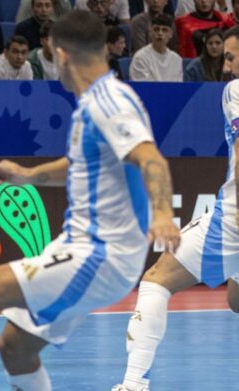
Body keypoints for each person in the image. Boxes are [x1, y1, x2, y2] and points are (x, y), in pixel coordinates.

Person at [0, 10, 180, 391]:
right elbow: (80, 165)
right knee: (15, 347)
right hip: (82, 248)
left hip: (102, 253)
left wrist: (165, 214)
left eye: (52, 57)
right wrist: (28, 176)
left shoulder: (110, 101)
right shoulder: (92, 104)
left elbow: (150, 158)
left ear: (63, 54)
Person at [112, 25, 239, 391]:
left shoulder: (235, 90)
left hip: (233, 220)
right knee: (236, 301)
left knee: (155, 281)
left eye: (231, 57)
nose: (226, 67)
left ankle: (133, 383)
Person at [130, 13, 183, 81]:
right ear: (150, 32)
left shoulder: (177, 59)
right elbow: (141, 87)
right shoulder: (140, 57)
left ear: (171, 34)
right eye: (156, 29)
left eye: (164, 30)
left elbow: (178, 88)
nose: (160, 33)